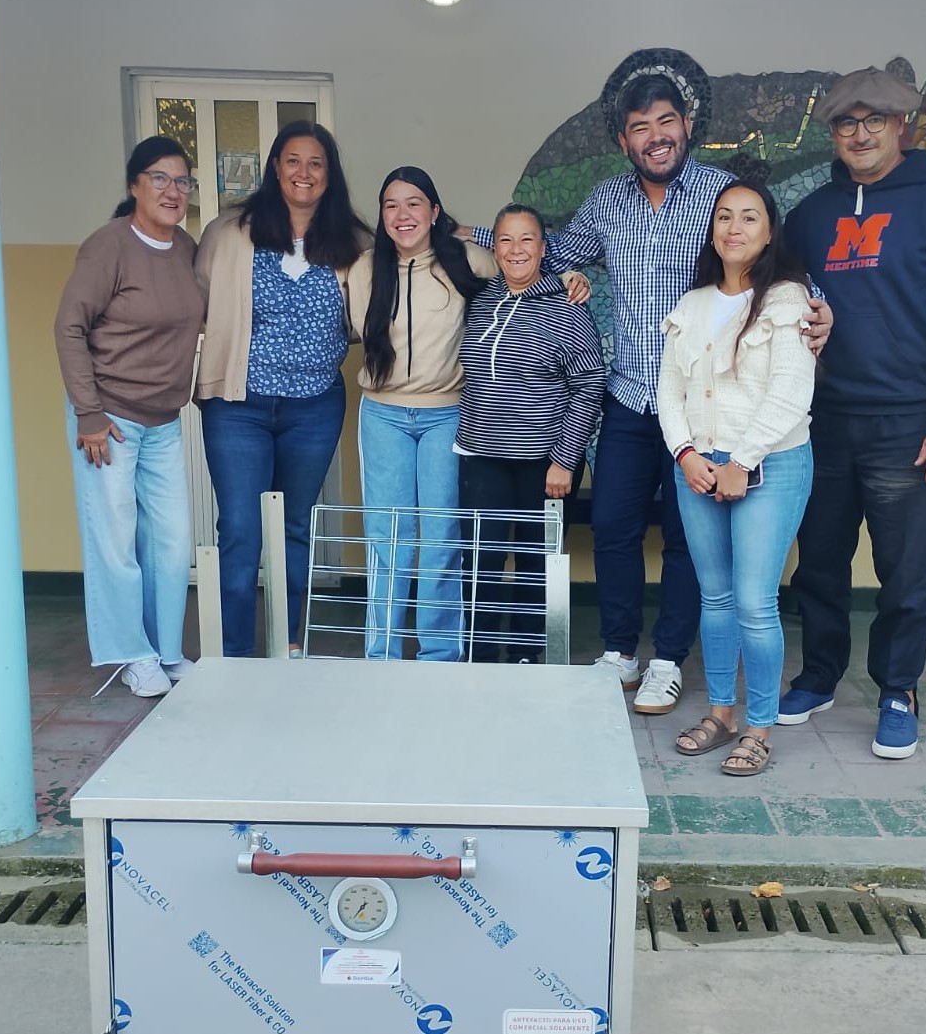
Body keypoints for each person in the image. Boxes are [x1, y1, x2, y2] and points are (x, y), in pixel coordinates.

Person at [470, 69, 831, 715]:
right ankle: (620, 651)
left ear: (686, 126)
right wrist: (463, 233)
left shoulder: (721, 195)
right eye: (640, 127)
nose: (655, 136)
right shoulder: (607, 200)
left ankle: (667, 658)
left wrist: (820, 307)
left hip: (704, 409)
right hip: (632, 395)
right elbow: (550, 251)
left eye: (665, 121)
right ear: (623, 141)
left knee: (687, 538)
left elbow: (773, 261)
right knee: (613, 525)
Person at [778, 67, 926, 759]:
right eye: (847, 123)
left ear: (902, 125)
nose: (860, 133)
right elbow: (774, 298)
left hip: (910, 423)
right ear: (833, 133)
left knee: (904, 571)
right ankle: (818, 675)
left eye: (874, 120)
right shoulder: (811, 214)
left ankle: (898, 689)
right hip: (822, 421)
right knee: (818, 564)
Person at [347, 168, 588, 662]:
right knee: (388, 537)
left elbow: (520, 262)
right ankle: (382, 655)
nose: (403, 214)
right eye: (391, 205)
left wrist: (566, 276)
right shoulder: (364, 268)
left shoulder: (467, 259)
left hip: (446, 415)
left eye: (414, 203)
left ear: (435, 211)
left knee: (443, 536)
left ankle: (440, 654)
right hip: (383, 414)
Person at [196, 121, 371, 658]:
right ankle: (233, 652)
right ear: (275, 167)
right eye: (293, 160)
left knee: (295, 526)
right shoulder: (229, 233)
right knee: (241, 528)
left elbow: (377, 310)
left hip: (314, 408)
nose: (304, 172)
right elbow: (192, 304)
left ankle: (287, 642)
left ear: (330, 174)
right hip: (238, 406)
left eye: (316, 163)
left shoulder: (354, 241)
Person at [658, 182, 816, 775]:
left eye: (750, 218)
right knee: (716, 597)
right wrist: (685, 454)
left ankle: (760, 727)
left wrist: (740, 461)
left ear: (769, 232)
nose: (735, 228)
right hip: (698, 467)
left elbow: (790, 393)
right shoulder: (692, 304)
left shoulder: (788, 299)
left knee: (754, 601)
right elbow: (669, 389)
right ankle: (722, 713)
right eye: (724, 217)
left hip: (769, 464)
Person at [54, 136, 205, 697]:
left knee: (171, 541)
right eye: (160, 178)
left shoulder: (186, 248)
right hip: (108, 420)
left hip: (163, 420)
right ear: (135, 185)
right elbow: (69, 327)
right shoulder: (109, 246)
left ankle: (165, 650)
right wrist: (88, 412)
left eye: (182, 181)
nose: (173, 190)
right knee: (114, 541)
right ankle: (131, 654)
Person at [456, 204, 605, 664]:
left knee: (534, 561)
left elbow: (589, 384)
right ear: (494, 247)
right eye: (505, 239)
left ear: (543, 248)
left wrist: (565, 459)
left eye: (527, 239)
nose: (516, 249)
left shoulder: (568, 308)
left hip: (543, 461)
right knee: (479, 559)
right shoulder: (482, 299)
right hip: (481, 454)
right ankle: (479, 657)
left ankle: (526, 654)